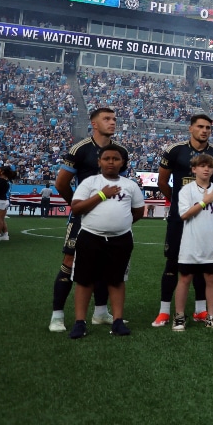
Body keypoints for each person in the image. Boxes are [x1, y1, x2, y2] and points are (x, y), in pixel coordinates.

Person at [50, 107, 128, 333]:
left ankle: (101, 313)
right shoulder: (80, 149)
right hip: (83, 217)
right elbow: (61, 183)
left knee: (105, 264)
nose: (112, 122)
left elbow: (120, 184)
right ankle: (57, 316)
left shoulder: (121, 150)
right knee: (69, 262)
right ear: (94, 124)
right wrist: (78, 206)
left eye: (114, 118)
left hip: (109, 218)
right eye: (107, 119)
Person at [153, 114, 213, 328]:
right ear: (191, 128)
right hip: (180, 221)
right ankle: (165, 312)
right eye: (200, 126)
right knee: (173, 264)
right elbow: (162, 182)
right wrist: (178, 202)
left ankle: (201, 310)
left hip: (206, 224)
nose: (204, 130)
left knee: (204, 265)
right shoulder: (175, 151)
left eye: (208, 128)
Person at [67, 145, 143, 339]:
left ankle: (117, 321)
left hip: (121, 239)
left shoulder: (130, 185)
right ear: (99, 161)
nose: (111, 162)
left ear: (122, 162)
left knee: (117, 280)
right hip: (90, 236)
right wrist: (102, 195)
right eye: (107, 158)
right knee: (84, 281)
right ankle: (79, 323)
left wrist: (120, 224)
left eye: (116, 159)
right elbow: (76, 209)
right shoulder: (90, 182)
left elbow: (138, 212)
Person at [173, 153, 213, 332]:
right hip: (190, 244)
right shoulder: (187, 190)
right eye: (202, 166)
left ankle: (211, 315)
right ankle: (179, 316)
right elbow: (184, 215)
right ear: (194, 169)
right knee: (185, 279)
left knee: (211, 278)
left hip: (211, 244)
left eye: (210, 166)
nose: (206, 169)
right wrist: (204, 202)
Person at [0, 165, 13, 243]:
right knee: (1, 219)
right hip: (3, 201)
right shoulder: (6, 181)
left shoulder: (0, 181)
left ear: (2, 172)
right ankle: (4, 235)